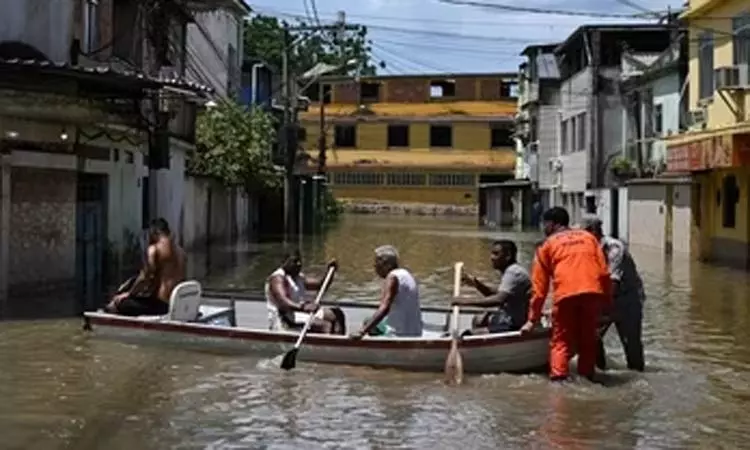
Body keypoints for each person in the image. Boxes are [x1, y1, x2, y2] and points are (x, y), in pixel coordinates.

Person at [520, 207, 612, 381]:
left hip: (565, 296)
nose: (543, 228)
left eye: (544, 224)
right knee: (587, 340)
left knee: (560, 342)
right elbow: (604, 274)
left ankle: (559, 381)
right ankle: (588, 377)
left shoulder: (546, 246)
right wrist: (607, 303)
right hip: (592, 293)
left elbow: (539, 289)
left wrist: (532, 320)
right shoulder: (589, 238)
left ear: (552, 224)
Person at [581, 214, 645, 372]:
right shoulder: (589, 250)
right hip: (605, 297)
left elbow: (613, 282)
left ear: (593, 231)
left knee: (631, 343)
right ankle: (601, 372)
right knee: (592, 336)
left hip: (627, 299)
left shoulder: (614, 249)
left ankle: (636, 375)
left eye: (583, 234)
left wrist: (600, 308)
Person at [105, 218, 186, 316]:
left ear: (154, 232)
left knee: (120, 303)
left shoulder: (154, 249)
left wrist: (129, 294)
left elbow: (145, 277)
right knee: (134, 286)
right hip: (177, 303)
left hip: (162, 306)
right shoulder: (180, 251)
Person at [453, 240, 530, 334]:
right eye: (492, 253)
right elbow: (495, 293)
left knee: (468, 334)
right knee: (478, 320)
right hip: (508, 318)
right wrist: (476, 283)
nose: (492, 258)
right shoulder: (511, 271)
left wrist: (463, 302)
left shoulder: (514, 273)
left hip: (516, 324)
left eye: (496, 254)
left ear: (508, 256)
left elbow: (498, 300)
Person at [265, 251, 344, 334]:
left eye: (300, 261)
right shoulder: (277, 279)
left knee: (336, 314)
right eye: (295, 261)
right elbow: (283, 301)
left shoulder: (298, 277)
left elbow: (320, 285)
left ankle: (341, 342)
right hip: (285, 318)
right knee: (325, 325)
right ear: (284, 262)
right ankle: (327, 345)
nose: (299, 264)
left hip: (298, 312)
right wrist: (304, 307)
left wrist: (330, 272)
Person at [351, 245, 422, 338]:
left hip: (399, 334)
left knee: (368, 321)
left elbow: (384, 308)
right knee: (375, 322)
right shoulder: (406, 273)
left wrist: (362, 332)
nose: (375, 267)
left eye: (377, 263)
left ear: (387, 265)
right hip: (415, 332)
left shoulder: (392, 277)